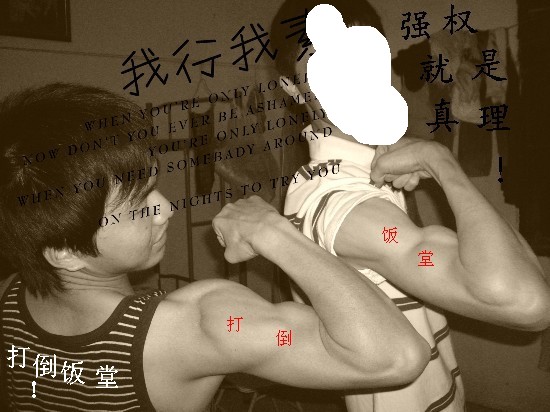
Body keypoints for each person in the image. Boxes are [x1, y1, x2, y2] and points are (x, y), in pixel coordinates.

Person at [0, 83, 431, 412]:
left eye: (154, 186)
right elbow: (396, 356)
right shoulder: (199, 327)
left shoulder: (9, 296)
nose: (165, 209)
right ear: (64, 251)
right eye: (139, 203)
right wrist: (275, 232)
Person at [270, 1, 550, 411]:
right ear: (292, 88)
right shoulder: (337, 200)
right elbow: (527, 301)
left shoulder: (368, 169)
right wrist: (442, 164)